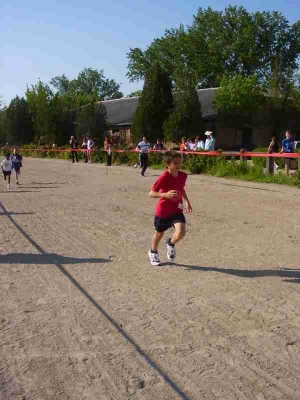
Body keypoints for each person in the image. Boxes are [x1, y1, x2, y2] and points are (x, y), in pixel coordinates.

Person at [148, 151, 192, 266]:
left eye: (179, 162)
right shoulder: (164, 177)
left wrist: (187, 201)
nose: (178, 165)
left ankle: (171, 243)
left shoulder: (183, 175)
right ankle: (153, 251)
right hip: (164, 211)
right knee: (159, 234)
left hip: (177, 209)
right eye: (175, 163)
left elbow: (181, 188)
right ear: (168, 164)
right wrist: (165, 195)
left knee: (181, 232)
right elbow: (151, 193)